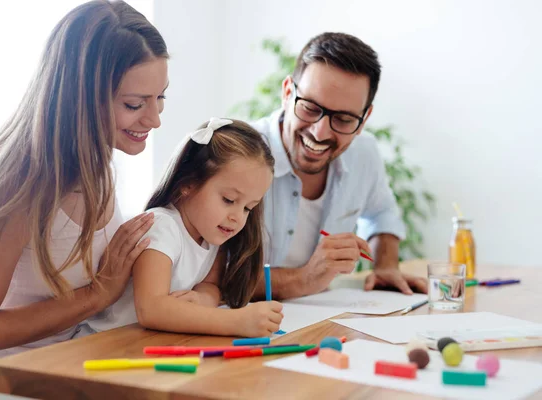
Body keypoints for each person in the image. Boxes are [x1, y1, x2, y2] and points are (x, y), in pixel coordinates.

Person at [0, 0, 168, 372]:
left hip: (69, 368)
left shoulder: (98, 165)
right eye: (134, 104)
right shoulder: (16, 187)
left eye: (160, 98)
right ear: (82, 97)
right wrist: (97, 294)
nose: (155, 119)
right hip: (5, 385)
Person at [250, 32, 428, 300]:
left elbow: (382, 214)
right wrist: (305, 279)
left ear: (364, 119)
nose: (320, 133)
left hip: (322, 322)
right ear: (287, 93)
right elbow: (213, 277)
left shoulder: (364, 153)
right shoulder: (238, 154)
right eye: (310, 107)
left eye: (344, 119)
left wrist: (386, 266)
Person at [87, 118, 283, 338]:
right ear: (188, 184)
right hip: (104, 344)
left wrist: (203, 299)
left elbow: (211, 285)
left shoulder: (211, 233)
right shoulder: (162, 227)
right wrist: (237, 321)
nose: (238, 217)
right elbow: (151, 309)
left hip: (147, 343)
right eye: (229, 200)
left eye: (248, 208)